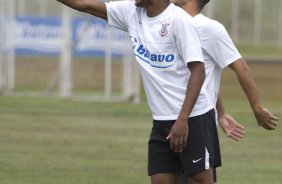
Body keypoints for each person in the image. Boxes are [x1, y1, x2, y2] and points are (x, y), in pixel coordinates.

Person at [56, 0, 221, 183]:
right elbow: (82, 4)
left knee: (200, 180)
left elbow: (199, 70)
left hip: (193, 118)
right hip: (161, 120)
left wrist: (183, 119)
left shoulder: (179, 20)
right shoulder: (131, 12)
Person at [168, 0, 279, 183]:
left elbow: (241, 67)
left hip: (196, 122)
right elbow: (199, 76)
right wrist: (222, 112)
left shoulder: (209, 28)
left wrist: (257, 107)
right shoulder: (170, 24)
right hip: (166, 119)